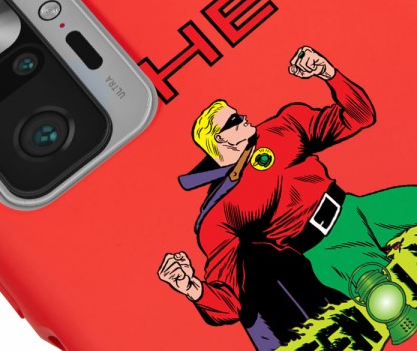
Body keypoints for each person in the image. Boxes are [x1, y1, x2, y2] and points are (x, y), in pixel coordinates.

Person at [158, 46, 417, 346]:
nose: (244, 116)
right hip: (327, 248)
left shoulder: (282, 128)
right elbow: (231, 300)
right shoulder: (219, 214)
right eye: (234, 120)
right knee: (379, 291)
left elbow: (358, 116)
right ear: (220, 139)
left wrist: (328, 73)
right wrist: (191, 288)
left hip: (359, 209)